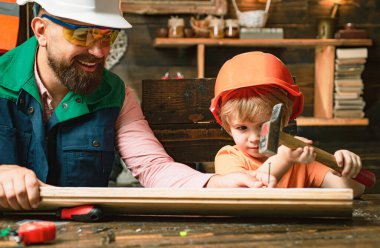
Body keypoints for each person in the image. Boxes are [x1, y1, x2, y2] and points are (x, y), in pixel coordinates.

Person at [0, 0, 277, 210]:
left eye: (107, 36)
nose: (100, 52)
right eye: (83, 35)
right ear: (41, 31)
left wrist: (214, 183)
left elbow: (153, 167)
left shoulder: (116, 95)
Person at [209, 51, 365, 197]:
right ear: (228, 127)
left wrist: (345, 167)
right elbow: (245, 195)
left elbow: (353, 190)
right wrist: (282, 160)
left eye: (264, 125)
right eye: (242, 128)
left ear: (282, 120)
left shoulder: (299, 160)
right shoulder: (229, 157)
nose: (255, 138)